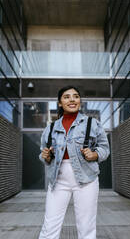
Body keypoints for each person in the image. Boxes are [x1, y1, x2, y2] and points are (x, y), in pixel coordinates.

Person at [38, 86, 110, 239]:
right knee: (49, 226)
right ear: (59, 103)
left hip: (87, 180)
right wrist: (46, 155)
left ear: (79, 101)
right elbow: (44, 153)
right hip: (58, 180)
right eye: (66, 97)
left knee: (86, 227)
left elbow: (105, 148)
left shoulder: (93, 123)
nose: (72, 99)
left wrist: (95, 154)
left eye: (75, 96)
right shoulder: (51, 128)